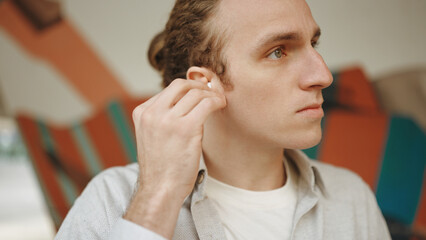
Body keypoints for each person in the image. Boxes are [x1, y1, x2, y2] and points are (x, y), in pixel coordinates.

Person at [55, 0, 391, 239]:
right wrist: (157, 197)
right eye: (278, 51)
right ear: (206, 83)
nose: (323, 75)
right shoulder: (111, 200)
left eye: (314, 43)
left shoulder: (351, 199)